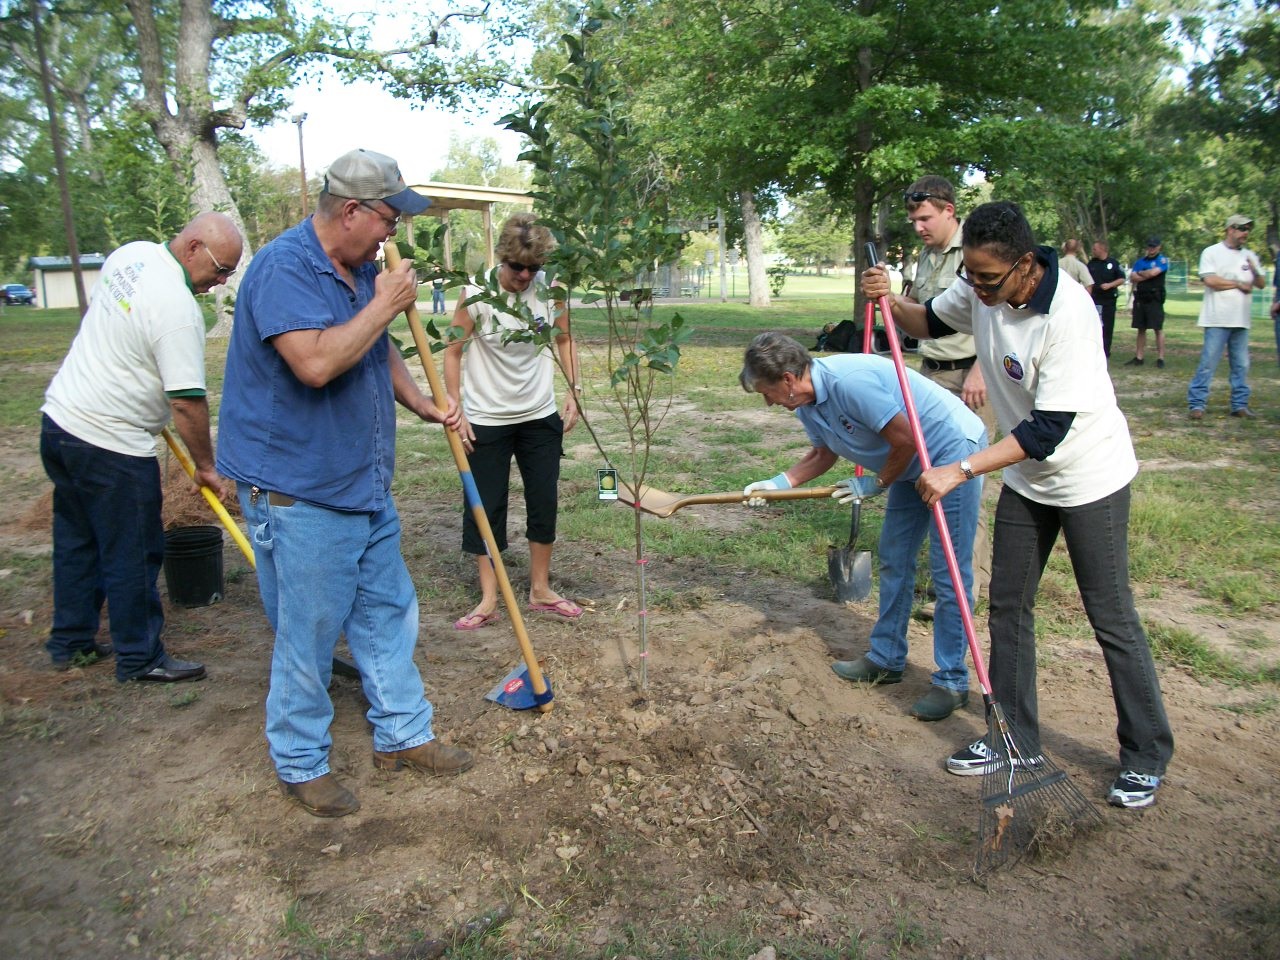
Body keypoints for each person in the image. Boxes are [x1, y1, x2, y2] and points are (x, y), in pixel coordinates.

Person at [862, 199, 1175, 808]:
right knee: (1008, 608)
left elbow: (1046, 430)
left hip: (1089, 479)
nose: (974, 290)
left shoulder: (1070, 314)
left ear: (1025, 266)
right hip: (1029, 483)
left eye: (987, 279)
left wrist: (961, 468)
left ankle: (1145, 754)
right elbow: (925, 321)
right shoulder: (979, 287)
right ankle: (1015, 739)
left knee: (1110, 616)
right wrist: (888, 299)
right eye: (970, 277)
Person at [217, 149, 474, 819]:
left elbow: (375, 344)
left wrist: (419, 401)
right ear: (353, 211)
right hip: (299, 491)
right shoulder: (284, 269)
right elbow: (318, 362)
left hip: (360, 481)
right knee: (309, 632)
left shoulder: (359, 270)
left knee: (389, 611)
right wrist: (386, 303)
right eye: (390, 217)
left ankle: (402, 733)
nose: (394, 234)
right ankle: (301, 761)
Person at [740, 332, 987, 722]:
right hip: (907, 464)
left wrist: (878, 482)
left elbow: (905, 437)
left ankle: (952, 681)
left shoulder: (849, 382)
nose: (768, 401)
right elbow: (823, 453)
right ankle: (887, 659)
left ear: (787, 379)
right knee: (895, 559)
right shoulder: (805, 404)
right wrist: (779, 483)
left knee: (949, 570)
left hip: (950, 451)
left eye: (766, 391)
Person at [40, 212, 241, 682]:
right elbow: (187, 402)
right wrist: (207, 466)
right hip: (111, 445)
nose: (221, 281)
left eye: (229, 272)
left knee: (77, 540)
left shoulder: (129, 256)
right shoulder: (178, 310)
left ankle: (70, 641)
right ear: (193, 247)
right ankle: (140, 656)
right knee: (133, 551)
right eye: (220, 268)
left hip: (60, 423)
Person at [444, 213, 582, 630]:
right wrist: (456, 407)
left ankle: (540, 589)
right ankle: (489, 596)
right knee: (486, 507)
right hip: (485, 419)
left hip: (539, 416)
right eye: (516, 266)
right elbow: (452, 350)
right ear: (502, 257)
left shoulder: (551, 290)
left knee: (544, 500)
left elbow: (564, 339)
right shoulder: (477, 294)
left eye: (532, 269)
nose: (524, 276)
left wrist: (574, 390)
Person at [900, 176, 996, 617]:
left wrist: (981, 368)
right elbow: (923, 313)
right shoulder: (925, 256)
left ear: (948, 211)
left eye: (925, 218)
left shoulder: (975, 252)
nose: (918, 226)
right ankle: (945, 579)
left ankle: (965, 593)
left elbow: (991, 317)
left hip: (972, 378)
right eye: (913, 219)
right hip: (931, 374)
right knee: (929, 475)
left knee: (965, 479)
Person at [1187, 215, 1267, 420]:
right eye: (1241, 228)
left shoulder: (1249, 255)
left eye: (1248, 229)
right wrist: (1238, 284)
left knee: (1241, 365)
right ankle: (1197, 404)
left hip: (1241, 320)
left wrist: (1255, 270)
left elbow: (1261, 284)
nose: (1246, 233)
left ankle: (1239, 405)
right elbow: (1210, 280)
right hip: (1217, 319)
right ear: (1230, 229)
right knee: (1208, 363)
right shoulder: (1212, 252)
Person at [1125, 237, 1170, 368]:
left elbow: (1153, 273)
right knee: (1141, 328)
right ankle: (1139, 357)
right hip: (1141, 298)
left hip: (1155, 298)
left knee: (1158, 328)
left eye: (1154, 246)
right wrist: (1144, 273)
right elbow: (1133, 277)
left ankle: (1160, 358)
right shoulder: (1140, 261)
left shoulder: (1162, 260)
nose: (1151, 249)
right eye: (1150, 246)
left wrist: (1141, 274)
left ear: (1159, 247)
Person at [1087, 240, 1127, 358]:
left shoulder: (1113, 263)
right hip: (1094, 300)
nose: (1093, 251)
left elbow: (1122, 278)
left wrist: (1110, 285)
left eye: (1095, 248)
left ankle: (1105, 352)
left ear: (1102, 249)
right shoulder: (1091, 264)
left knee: (1107, 327)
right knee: (1094, 327)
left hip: (1108, 301)